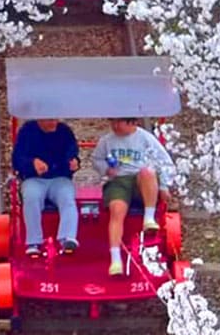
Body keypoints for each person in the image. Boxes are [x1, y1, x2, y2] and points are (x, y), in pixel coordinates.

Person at [92, 117, 176, 276]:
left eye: (120, 122)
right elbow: (96, 160)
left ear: (132, 123)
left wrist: (164, 186)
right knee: (117, 210)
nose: (115, 126)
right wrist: (105, 169)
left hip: (140, 180)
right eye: (113, 123)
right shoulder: (107, 141)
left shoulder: (145, 138)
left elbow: (165, 162)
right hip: (119, 181)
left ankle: (149, 217)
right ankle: (116, 259)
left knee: (147, 171)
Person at [11, 118, 80, 256]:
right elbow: (17, 160)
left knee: (67, 197)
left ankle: (67, 237)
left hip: (60, 178)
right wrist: (32, 163)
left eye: (54, 119)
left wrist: (74, 163)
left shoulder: (64, 132)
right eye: (49, 120)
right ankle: (33, 241)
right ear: (40, 120)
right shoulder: (27, 132)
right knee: (31, 197)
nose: (53, 123)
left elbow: (73, 154)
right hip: (34, 179)